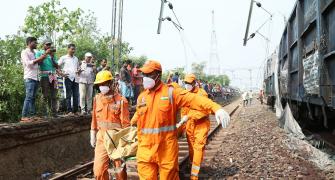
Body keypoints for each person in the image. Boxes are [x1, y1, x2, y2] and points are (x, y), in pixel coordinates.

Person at [130, 60, 230, 180]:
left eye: (148, 74)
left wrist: (216, 108)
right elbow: (138, 118)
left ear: (158, 75)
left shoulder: (171, 93)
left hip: (165, 149)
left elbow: (194, 99)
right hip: (145, 150)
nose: (145, 78)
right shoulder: (142, 98)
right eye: (144, 75)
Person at [90, 70, 130, 180]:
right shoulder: (97, 99)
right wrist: (92, 133)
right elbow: (94, 118)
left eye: (104, 84)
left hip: (116, 139)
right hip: (101, 138)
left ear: (111, 83)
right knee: (98, 171)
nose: (102, 86)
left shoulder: (121, 101)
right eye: (100, 84)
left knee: (120, 171)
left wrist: (126, 144)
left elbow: (126, 125)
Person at [177, 74, 213, 179]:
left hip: (201, 125)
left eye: (189, 83)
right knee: (192, 149)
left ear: (194, 83)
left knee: (198, 148)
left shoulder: (202, 94)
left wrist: (189, 116)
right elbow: (183, 111)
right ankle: (194, 164)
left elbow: (205, 111)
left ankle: (194, 176)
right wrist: (183, 127)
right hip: (189, 126)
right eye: (186, 83)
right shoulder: (184, 94)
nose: (187, 85)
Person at [21, 37, 51, 122]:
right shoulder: (24, 52)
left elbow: (40, 63)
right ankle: (24, 116)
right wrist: (44, 55)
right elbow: (28, 63)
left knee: (33, 97)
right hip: (29, 77)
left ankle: (32, 115)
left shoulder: (36, 52)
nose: (36, 44)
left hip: (36, 77)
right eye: (35, 42)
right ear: (30, 42)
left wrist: (45, 55)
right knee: (29, 97)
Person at [36, 38, 59, 117]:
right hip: (44, 76)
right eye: (47, 44)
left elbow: (57, 66)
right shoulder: (39, 53)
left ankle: (54, 113)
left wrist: (52, 57)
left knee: (54, 95)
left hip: (53, 75)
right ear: (43, 45)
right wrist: (45, 54)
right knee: (45, 95)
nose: (49, 46)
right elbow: (39, 63)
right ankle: (43, 113)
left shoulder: (52, 54)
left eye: (50, 44)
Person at [58, 44, 80, 115]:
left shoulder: (76, 58)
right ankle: (69, 110)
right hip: (68, 78)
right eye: (72, 49)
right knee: (68, 95)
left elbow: (77, 68)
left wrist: (79, 70)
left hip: (75, 78)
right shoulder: (64, 58)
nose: (73, 50)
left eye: (74, 49)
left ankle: (75, 111)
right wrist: (61, 74)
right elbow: (57, 65)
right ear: (68, 49)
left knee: (76, 95)